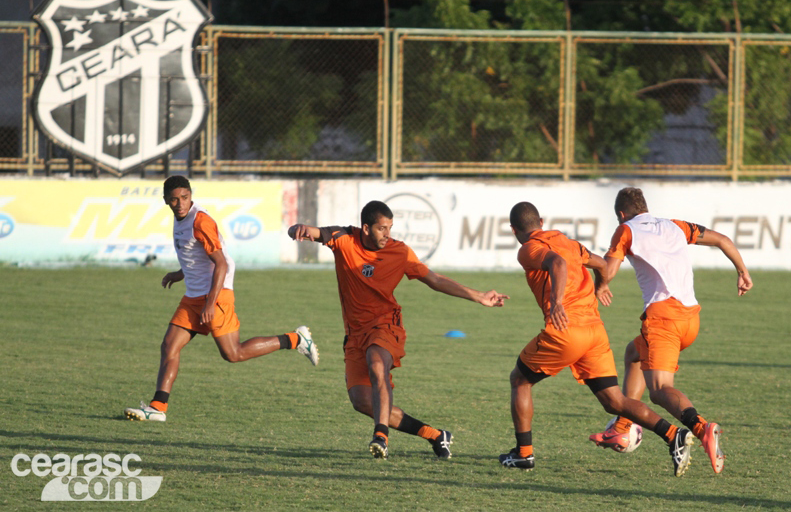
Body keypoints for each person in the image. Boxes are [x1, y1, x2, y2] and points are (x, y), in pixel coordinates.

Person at [288, 200, 508, 460]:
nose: (387, 234)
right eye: (382, 228)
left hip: (386, 324)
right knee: (362, 401)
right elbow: (309, 232)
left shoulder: (399, 252)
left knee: (376, 362)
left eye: (390, 228)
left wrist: (479, 296)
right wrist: (298, 228)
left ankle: (380, 437)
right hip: (355, 333)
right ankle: (435, 435)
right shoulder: (345, 239)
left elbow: (435, 279)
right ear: (366, 228)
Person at [500, 201, 694, 477]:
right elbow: (601, 264)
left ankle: (523, 454)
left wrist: (557, 302)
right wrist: (601, 285)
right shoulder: (568, 242)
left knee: (520, 380)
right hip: (595, 332)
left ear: (513, 229)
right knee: (614, 401)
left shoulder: (528, 248)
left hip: (567, 331)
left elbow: (556, 263)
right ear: (541, 222)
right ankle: (673, 434)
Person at [125, 175, 318, 422]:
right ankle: (158, 408)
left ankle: (296, 339)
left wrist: (210, 303)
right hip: (193, 296)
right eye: (174, 200)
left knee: (233, 353)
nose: (180, 203)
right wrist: (180, 273)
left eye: (185, 197)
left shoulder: (200, 221)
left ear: (191, 195)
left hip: (215, 294)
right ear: (166, 201)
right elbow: (197, 255)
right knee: (169, 346)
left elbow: (222, 263)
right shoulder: (181, 218)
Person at [589, 187, 753, 474]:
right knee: (633, 354)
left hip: (663, 320)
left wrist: (600, 284)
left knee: (660, 390)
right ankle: (623, 425)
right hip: (690, 319)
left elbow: (608, 269)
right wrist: (742, 271)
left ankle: (702, 428)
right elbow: (723, 240)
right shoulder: (675, 226)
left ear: (621, 214)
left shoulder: (626, 230)